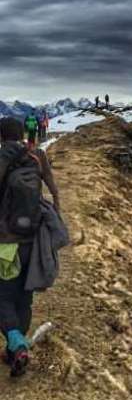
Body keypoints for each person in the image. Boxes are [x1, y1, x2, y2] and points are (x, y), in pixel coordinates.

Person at [0, 117, 63, 377]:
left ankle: (16, 342)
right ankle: (16, 352)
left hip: (6, 245)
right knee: (24, 296)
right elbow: (53, 189)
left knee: (2, 296)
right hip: (32, 240)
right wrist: (56, 216)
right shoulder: (36, 155)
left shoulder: (2, 159)